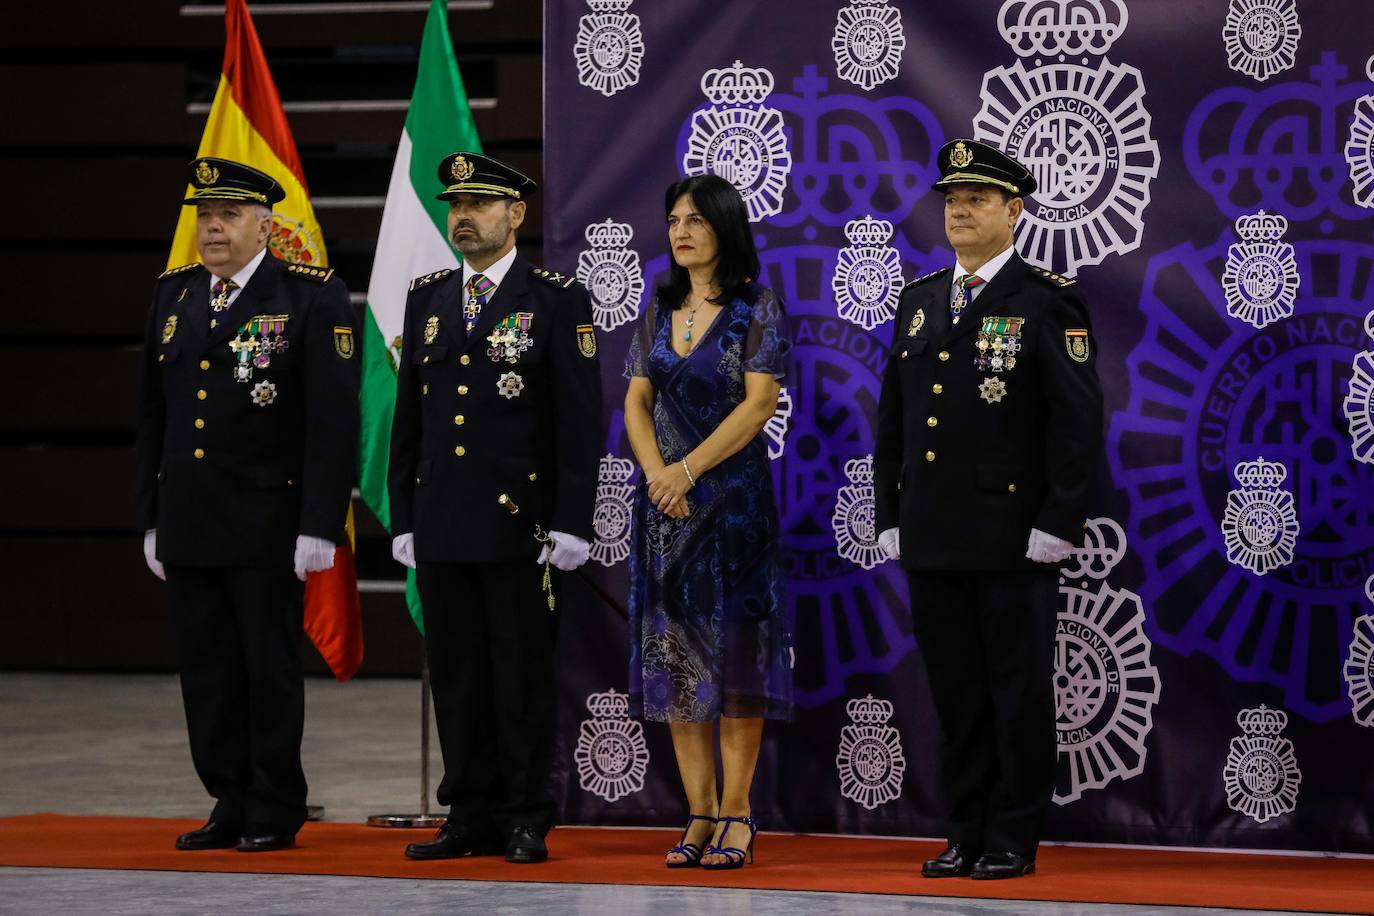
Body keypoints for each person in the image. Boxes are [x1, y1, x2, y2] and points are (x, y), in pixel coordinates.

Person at [874, 139, 1103, 880]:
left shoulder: (1044, 299)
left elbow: (1076, 423)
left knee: (1017, 692)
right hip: (934, 531)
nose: (960, 209)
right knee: (957, 694)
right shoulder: (919, 301)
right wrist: (889, 511)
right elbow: (895, 424)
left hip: (1013, 537)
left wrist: (1059, 522)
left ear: (1016, 210)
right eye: (951, 198)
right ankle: (964, 830)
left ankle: (1011, 836)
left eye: (977, 198)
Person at [135, 157, 359, 852]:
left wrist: (319, 522)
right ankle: (228, 798)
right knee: (206, 672)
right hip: (191, 521)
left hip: (268, 523)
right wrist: (150, 515)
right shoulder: (174, 297)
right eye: (205, 216)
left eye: (228, 215)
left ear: (265, 226)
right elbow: (153, 418)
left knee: (267, 671)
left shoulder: (309, 296)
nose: (213, 228)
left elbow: (332, 421)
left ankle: (273, 804)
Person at [387, 152, 602, 864]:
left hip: (522, 525)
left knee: (520, 678)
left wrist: (574, 518)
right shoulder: (429, 296)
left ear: (516, 214)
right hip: (443, 518)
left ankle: (523, 814)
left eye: (479, 205)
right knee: (458, 677)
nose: (463, 217)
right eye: (456, 206)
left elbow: (577, 419)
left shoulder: (555, 298)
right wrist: (405, 513)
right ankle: (468, 813)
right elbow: (410, 415)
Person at [623, 174, 792, 871]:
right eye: (673, 219)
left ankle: (737, 815)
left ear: (725, 226)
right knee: (678, 667)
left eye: (696, 219)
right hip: (666, 512)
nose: (681, 230)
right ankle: (696, 814)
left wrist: (686, 471)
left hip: (733, 510)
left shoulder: (757, 305)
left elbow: (758, 406)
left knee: (735, 666)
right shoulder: (658, 305)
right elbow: (634, 401)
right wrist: (658, 474)